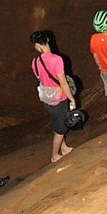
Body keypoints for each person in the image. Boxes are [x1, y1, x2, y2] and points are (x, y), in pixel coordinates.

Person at [30, 30, 77, 163]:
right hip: (59, 98)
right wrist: (72, 99)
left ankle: (64, 148)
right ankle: (54, 155)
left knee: (57, 122)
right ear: (48, 41)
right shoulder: (57, 60)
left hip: (47, 99)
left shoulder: (34, 62)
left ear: (37, 46)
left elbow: (40, 78)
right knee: (60, 129)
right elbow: (62, 82)